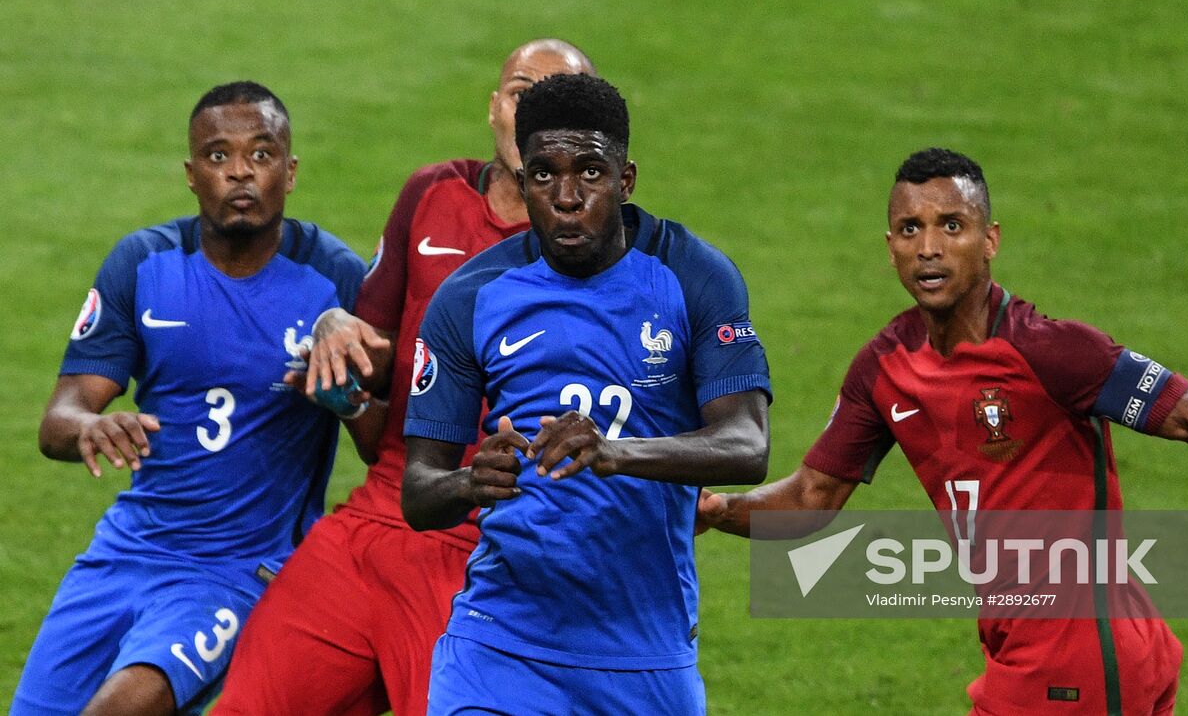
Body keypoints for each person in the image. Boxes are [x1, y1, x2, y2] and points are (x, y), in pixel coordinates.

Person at [696, 147, 1188, 716]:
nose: (929, 248)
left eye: (951, 226)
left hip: (1075, 661)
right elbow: (813, 497)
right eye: (910, 230)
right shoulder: (884, 368)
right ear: (890, 247)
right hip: (1053, 652)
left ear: (990, 239)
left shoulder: (1052, 350)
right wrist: (720, 509)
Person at [214, 39, 597, 716]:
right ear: (494, 108)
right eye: (521, 93)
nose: (536, 114)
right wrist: (335, 327)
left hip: (493, 544)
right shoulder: (433, 192)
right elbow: (379, 351)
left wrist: (711, 508)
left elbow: (693, 431)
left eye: (559, 101)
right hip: (382, 512)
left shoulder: (610, 257)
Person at [402, 73, 771, 716]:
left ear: (626, 180)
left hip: (643, 655)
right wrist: (469, 482)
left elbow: (747, 446)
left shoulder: (693, 277)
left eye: (591, 173)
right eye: (544, 175)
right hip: (499, 644)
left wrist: (616, 453)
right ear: (522, 184)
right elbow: (418, 493)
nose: (567, 199)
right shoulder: (470, 297)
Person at [12, 83, 366, 716]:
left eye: (261, 154)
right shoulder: (143, 263)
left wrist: (349, 400)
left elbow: (392, 437)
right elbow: (57, 420)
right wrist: (90, 426)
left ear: (290, 172)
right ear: (191, 174)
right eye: (218, 155)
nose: (240, 171)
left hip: (237, 571)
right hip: (126, 551)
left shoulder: (336, 279)